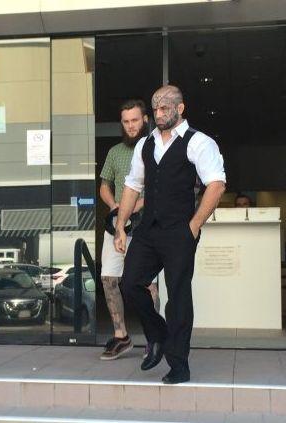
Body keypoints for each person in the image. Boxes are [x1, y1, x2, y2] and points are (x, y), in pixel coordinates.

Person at [114, 85, 226, 384]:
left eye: (165, 108)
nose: (159, 113)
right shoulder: (145, 145)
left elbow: (216, 185)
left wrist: (193, 226)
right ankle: (159, 335)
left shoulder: (198, 142)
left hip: (179, 230)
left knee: (177, 297)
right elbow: (132, 186)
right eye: (155, 109)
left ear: (180, 108)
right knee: (130, 284)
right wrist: (121, 225)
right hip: (149, 229)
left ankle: (179, 364)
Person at [99, 99, 160, 360]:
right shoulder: (115, 152)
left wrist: (135, 205)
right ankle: (121, 336)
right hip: (117, 226)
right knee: (109, 279)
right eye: (126, 121)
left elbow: (162, 190)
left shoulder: (157, 148)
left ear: (145, 119)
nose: (131, 125)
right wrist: (116, 207)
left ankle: (154, 338)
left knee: (148, 285)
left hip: (147, 226)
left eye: (135, 120)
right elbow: (104, 185)